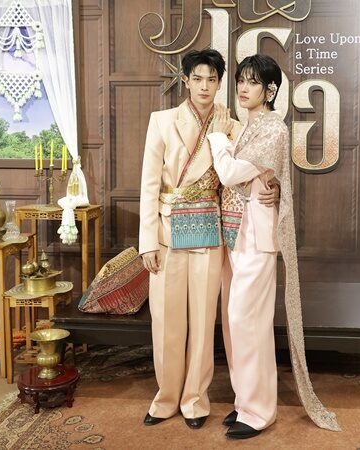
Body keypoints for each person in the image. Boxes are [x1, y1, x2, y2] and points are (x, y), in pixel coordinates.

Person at [137, 49, 279, 430]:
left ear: (219, 84)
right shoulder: (162, 121)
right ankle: (166, 397)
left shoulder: (231, 124)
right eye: (197, 78)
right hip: (168, 230)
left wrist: (276, 187)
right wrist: (147, 241)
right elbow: (148, 185)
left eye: (212, 79)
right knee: (166, 320)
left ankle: (195, 400)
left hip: (209, 228)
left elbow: (257, 166)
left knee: (203, 323)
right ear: (185, 81)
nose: (204, 86)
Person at [207, 54, 341, 439]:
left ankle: (259, 411)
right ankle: (244, 402)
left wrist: (217, 138)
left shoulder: (272, 128)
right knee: (235, 323)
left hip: (257, 237)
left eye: (253, 82)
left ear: (270, 90)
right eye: (241, 81)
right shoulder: (247, 126)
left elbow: (231, 173)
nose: (243, 88)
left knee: (248, 322)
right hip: (236, 233)